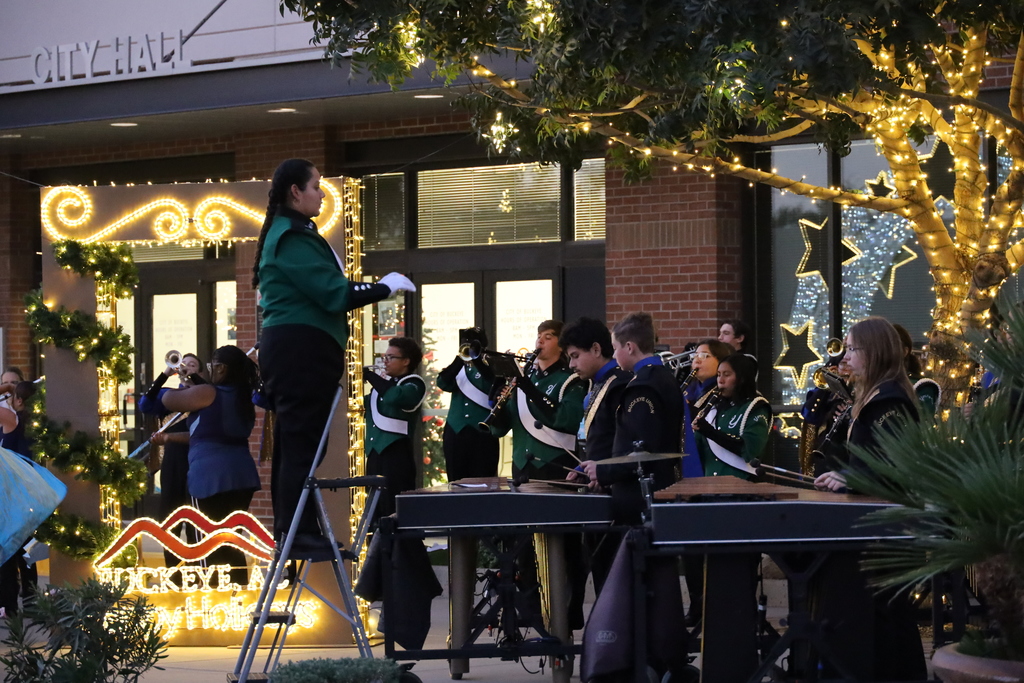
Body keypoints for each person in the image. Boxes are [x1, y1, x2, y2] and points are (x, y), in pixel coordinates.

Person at [254, 158, 415, 553]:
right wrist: (382, 288)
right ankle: (298, 533)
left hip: (297, 348)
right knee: (303, 445)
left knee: (300, 444)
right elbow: (334, 293)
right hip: (301, 349)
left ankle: (295, 530)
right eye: (315, 186)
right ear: (296, 192)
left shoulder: (289, 232)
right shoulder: (292, 236)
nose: (321, 194)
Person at [812, 317, 927, 682]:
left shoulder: (889, 401)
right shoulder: (876, 397)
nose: (845, 356)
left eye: (852, 348)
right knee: (881, 616)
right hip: (873, 523)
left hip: (885, 527)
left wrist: (851, 478)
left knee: (888, 618)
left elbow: (895, 466)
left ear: (874, 352)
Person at [158, 345, 263, 587]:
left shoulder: (208, 393)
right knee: (232, 540)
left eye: (211, 366)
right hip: (242, 475)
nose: (210, 370)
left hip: (209, 476)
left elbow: (167, 399)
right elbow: (210, 432)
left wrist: (181, 380)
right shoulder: (243, 397)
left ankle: (212, 595)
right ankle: (238, 593)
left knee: (206, 542)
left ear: (222, 368)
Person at [576, 313, 684, 524]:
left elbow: (642, 450)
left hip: (640, 498)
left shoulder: (643, 387)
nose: (614, 355)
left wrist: (603, 471)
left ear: (629, 347)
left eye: (615, 348)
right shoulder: (662, 376)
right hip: (658, 489)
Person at [560, 316, 632, 593]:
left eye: (575, 356)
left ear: (596, 349)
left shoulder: (620, 385)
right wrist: (584, 469)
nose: (571, 365)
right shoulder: (599, 385)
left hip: (616, 493)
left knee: (612, 578)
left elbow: (622, 441)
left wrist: (603, 471)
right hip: (599, 488)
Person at [486, 320, 587, 481]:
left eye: (548, 337)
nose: (540, 341)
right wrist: (496, 403)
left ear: (561, 346)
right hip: (520, 466)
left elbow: (568, 420)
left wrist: (530, 390)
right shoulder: (523, 379)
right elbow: (500, 430)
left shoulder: (570, 380)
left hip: (555, 464)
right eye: (539, 336)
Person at [139, 353, 203, 577]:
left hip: (196, 461)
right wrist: (166, 373)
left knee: (196, 518)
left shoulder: (205, 395)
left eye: (193, 365)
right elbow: (145, 404)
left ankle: (197, 570)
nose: (187, 368)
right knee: (170, 516)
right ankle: (173, 573)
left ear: (200, 372)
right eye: (184, 364)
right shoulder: (169, 396)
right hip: (173, 462)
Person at [363, 337, 427, 520]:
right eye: (385, 357)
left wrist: (371, 376)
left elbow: (395, 397)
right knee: (374, 508)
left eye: (391, 357)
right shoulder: (383, 386)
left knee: (393, 508)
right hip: (374, 453)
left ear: (406, 361)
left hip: (396, 453)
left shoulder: (413, 383)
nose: (385, 361)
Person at [436, 328, 499, 481]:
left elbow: (492, 384)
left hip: (482, 432)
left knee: (483, 480)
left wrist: (478, 360)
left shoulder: (490, 367)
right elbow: (443, 383)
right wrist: (459, 360)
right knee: (456, 480)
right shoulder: (458, 368)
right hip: (455, 430)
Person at [0, 379, 38, 616]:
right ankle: (31, 603)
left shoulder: (12, 421)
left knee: (8, 550)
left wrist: (4, 388)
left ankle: (9, 604)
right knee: (25, 551)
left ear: (20, 400)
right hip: (26, 493)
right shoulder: (32, 424)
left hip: (11, 494)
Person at [893, 323, 940, 417]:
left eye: (887, 347)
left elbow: (923, 422)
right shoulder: (869, 385)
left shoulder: (922, 387)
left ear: (904, 352)